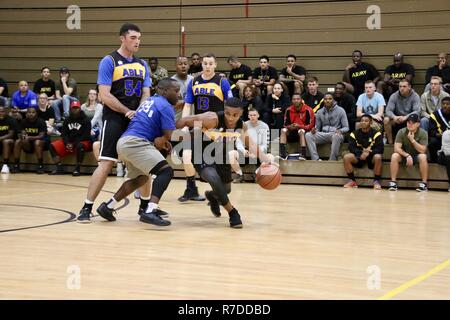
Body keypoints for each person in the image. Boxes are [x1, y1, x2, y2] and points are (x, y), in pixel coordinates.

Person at [77, 23, 151, 223]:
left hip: (136, 119)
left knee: (145, 164)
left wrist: (139, 112)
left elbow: (146, 93)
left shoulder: (142, 64)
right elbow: (104, 95)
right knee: (106, 163)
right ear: (122, 38)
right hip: (115, 118)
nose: (138, 41)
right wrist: (126, 111)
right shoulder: (109, 61)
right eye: (133, 37)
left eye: (139, 38)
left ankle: (145, 207)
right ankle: (87, 207)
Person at [176, 97, 274, 228]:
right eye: (228, 114)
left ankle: (212, 196)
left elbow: (250, 144)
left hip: (221, 156)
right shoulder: (211, 119)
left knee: (226, 189)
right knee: (213, 177)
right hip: (201, 154)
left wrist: (266, 159)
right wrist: (177, 134)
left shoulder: (241, 126)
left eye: (235, 115)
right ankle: (232, 212)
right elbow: (183, 121)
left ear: (241, 113)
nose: (231, 118)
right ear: (224, 110)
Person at [95, 78, 180, 226]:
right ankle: (150, 210)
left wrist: (162, 138)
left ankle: (108, 207)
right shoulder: (165, 106)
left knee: (141, 178)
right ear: (165, 91)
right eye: (176, 91)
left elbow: (154, 128)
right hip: (136, 143)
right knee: (165, 172)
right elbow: (171, 134)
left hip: (125, 143)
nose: (178, 94)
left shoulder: (150, 101)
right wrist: (195, 132)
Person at [178, 53, 233, 203]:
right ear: (201, 65)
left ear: (215, 65)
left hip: (217, 128)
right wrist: (184, 123)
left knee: (221, 174)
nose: (207, 66)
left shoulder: (222, 81)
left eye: (210, 63)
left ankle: (215, 194)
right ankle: (191, 189)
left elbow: (230, 106)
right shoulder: (194, 81)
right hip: (197, 126)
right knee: (186, 156)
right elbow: (188, 104)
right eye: (205, 63)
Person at [49, 100, 92, 176]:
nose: (75, 110)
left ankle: (77, 169)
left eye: (77, 108)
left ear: (80, 109)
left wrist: (74, 144)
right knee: (52, 146)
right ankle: (59, 168)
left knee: (80, 146)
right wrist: (67, 143)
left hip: (82, 141)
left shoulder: (86, 120)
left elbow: (86, 135)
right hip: (69, 142)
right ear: (70, 109)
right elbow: (64, 134)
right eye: (73, 108)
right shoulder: (67, 120)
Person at [389, 113, 428, 192]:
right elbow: (396, 148)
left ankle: (424, 184)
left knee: (423, 157)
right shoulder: (401, 131)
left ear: (418, 124)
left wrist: (412, 140)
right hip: (404, 155)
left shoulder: (423, 133)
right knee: (394, 155)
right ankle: (393, 183)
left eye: (413, 123)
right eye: (408, 122)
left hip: (416, 156)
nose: (410, 124)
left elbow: (423, 150)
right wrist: (407, 155)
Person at [343, 114, 384, 189]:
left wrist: (369, 153)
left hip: (371, 158)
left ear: (370, 123)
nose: (363, 122)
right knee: (346, 157)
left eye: (366, 121)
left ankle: (376, 181)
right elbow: (351, 147)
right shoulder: (354, 133)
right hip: (359, 157)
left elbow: (380, 149)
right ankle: (352, 181)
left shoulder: (376, 134)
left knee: (378, 157)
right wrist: (361, 153)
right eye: (362, 121)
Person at [305, 93, 349, 161]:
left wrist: (340, 130)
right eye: (325, 99)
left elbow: (346, 127)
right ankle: (315, 159)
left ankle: (332, 160)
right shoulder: (320, 112)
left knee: (336, 136)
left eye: (330, 99)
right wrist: (314, 130)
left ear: (333, 100)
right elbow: (318, 128)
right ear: (323, 100)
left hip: (336, 134)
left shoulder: (341, 110)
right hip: (324, 134)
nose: (327, 101)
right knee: (308, 135)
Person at [230, 108, 270, 183]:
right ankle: (240, 175)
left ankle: (256, 174)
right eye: (251, 115)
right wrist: (243, 150)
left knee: (271, 158)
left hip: (258, 152)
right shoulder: (243, 125)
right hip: (246, 152)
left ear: (258, 115)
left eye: (254, 115)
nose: (252, 117)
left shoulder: (264, 126)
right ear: (248, 116)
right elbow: (238, 142)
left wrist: (256, 152)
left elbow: (265, 144)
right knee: (231, 154)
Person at [11, 107, 47, 174]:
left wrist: (29, 137)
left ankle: (40, 165)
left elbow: (41, 136)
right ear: (26, 114)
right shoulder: (23, 121)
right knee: (17, 141)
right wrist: (23, 135)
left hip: (40, 143)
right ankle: (16, 165)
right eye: (29, 112)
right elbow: (22, 132)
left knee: (37, 142)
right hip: (28, 144)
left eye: (33, 112)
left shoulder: (41, 122)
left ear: (36, 113)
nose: (31, 114)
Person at [384, 79, 421, 144]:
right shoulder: (394, 96)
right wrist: (394, 117)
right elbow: (388, 110)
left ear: (409, 87)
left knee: (415, 119)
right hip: (397, 119)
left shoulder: (415, 96)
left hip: (409, 118)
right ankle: (390, 143)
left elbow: (417, 111)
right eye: (400, 86)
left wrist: (406, 117)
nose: (402, 88)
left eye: (404, 86)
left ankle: (412, 142)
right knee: (386, 120)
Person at [279, 93, 315, 160]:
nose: (296, 101)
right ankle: (283, 154)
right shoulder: (288, 110)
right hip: (292, 131)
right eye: (294, 99)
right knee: (283, 130)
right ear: (292, 101)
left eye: (298, 99)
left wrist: (299, 126)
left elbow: (310, 125)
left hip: (303, 132)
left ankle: (303, 155)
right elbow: (285, 124)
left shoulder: (308, 110)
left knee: (301, 131)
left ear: (301, 100)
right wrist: (290, 127)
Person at [428, 96, 450, 163]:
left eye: (448, 104)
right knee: (432, 142)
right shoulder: (435, 115)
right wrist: (440, 135)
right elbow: (431, 131)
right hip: (439, 138)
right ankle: (434, 160)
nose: (445, 106)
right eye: (443, 104)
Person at [171, 56, 193, 122]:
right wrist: (190, 100)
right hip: (176, 121)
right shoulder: (171, 83)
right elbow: (173, 105)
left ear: (188, 66)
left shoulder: (193, 80)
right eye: (180, 64)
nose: (183, 66)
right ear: (175, 67)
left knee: (197, 132)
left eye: (185, 64)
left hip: (192, 120)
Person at [0, 105, 17, 174]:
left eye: (2, 111)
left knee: (5, 141)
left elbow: (11, 134)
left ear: (6, 112)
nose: (0, 113)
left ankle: (5, 165)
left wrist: (0, 138)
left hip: (10, 141)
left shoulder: (11, 120)